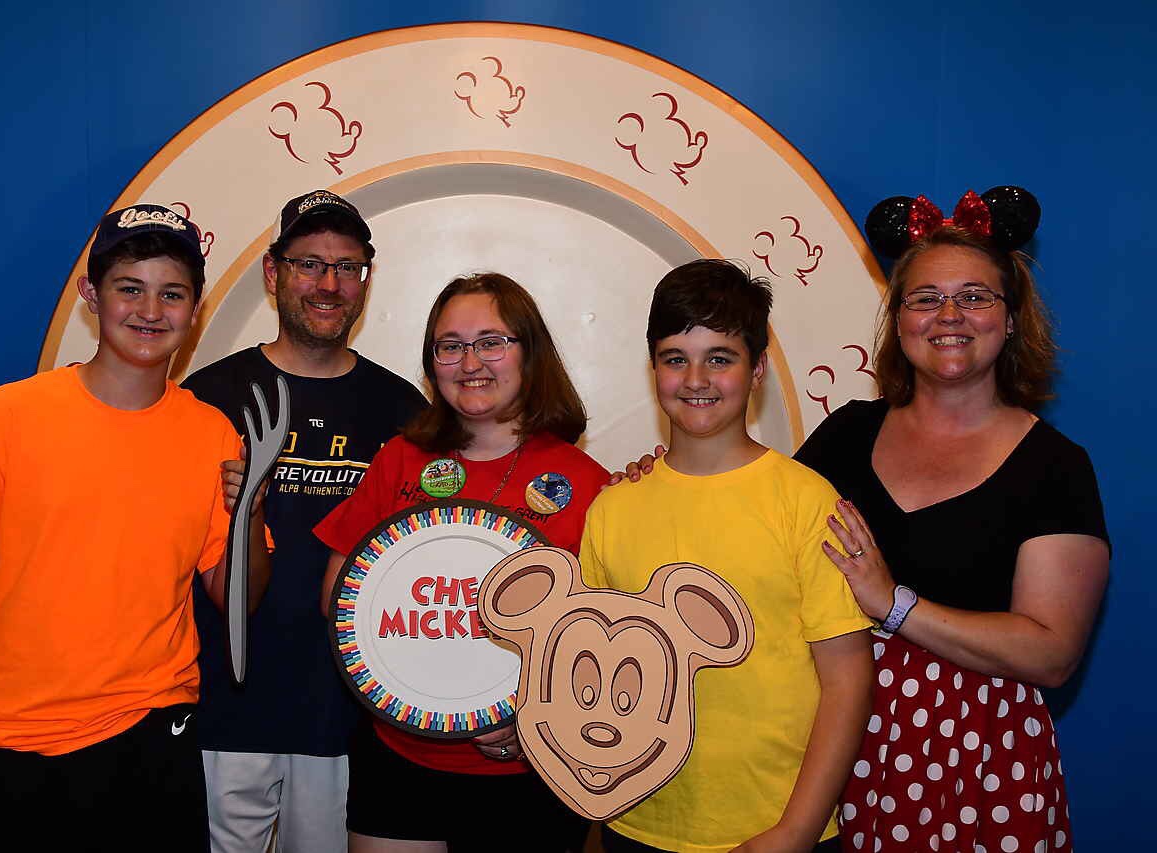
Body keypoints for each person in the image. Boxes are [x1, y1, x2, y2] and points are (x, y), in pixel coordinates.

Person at [0, 204, 270, 852]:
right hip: (12, 744)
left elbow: (236, 600)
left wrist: (252, 512)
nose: (150, 310)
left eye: (172, 293)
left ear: (195, 309)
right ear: (91, 295)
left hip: (154, 740)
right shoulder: (8, 416)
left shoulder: (214, 434)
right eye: (130, 288)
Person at [793, 192, 1110, 852]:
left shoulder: (1054, 466)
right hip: (830, 740)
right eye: (926, 298)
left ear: (1011, 318)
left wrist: (894, 604)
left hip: (977, 758)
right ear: (898, 320)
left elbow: (1051, 653)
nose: (949, 315)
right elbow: (754, 536)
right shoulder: (844, 435)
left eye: (974, 296)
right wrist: (668, 477)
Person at [578, 259, 873, 853]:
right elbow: (585, 662)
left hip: (777, 824)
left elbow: (848, 678)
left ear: (757, 369)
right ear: (653, 367)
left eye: (720, 358)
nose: (696, 379)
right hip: (636, 823)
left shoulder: (806, 501)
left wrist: (795, 831)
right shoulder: (613, 508)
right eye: (674, 358)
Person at [314, 272, 610, 852]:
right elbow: (337, 599)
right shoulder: (399, 459)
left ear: (530, 352)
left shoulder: (589, 484)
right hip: (398, 758)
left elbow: (602, 645)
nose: (470, 362)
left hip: (531, 774)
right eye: (449, 346)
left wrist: (539, 716)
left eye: (491, 342)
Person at [182, 189, 424, 853]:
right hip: (222, 707)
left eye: (347, 267)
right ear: (273, 272)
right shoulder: (208, 398)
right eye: (309, 263)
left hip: (346, 715)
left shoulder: (404, 409)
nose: (328, 284)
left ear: (366, 280)